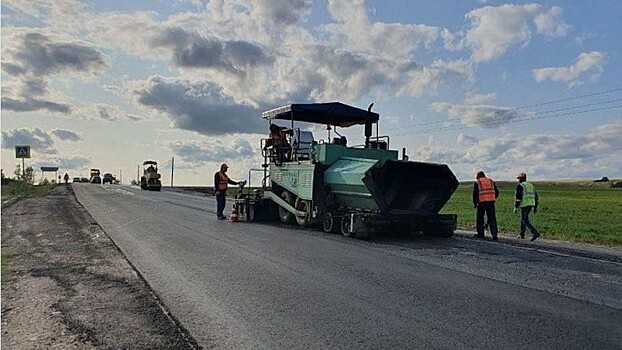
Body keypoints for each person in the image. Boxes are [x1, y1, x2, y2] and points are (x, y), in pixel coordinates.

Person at [472, 170, 499, 240]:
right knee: (492, 218)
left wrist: (475, 203)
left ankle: (481, 234)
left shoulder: (478, 182)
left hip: (482, 203)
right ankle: (494, 234)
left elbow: (475, 194)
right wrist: (492, 197)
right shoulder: (491, 181)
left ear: (478, 176)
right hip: (491, 202)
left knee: (480, 218)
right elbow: (497, 192)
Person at [514, 172, 540, 241]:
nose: (518, 180)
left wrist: (516, 207)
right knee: (523, 219)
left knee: (524, 220)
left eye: (518, 179)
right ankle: (521, 234)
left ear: (521, 179)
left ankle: (535, 232)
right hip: (531, 204)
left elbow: (518, 198)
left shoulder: (520, 186)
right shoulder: (531, 185)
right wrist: (535, 207)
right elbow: (536, 197)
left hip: (524, 204)